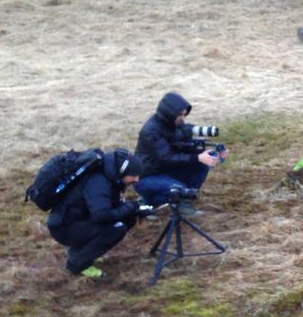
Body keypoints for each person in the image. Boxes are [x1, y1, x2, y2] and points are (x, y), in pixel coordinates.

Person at [48, 149, 144, 278]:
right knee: (116, 229)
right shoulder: (99, 183)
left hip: (78, 221)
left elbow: (111, 206)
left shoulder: (110, 177)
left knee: (129, 217)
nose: (137, 179)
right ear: (122, 171)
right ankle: (77, 264)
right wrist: (131, 207)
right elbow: (101, 216)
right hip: (65, 227)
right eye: (134, 175)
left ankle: (84, 251)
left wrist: (136, 209)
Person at [134, 91, 227, 209]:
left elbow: (187, 146)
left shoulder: (174, 125)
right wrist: (197, 157)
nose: (183, 119)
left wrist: (213, 153)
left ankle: (185, 199)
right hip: (147, 178)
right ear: (170, 114)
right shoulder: (151, 131)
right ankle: (148, 200)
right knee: (179, 189)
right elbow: (166, 158)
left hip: (167, 171)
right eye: (181, 115)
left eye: (184, 115)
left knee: (201, 165)